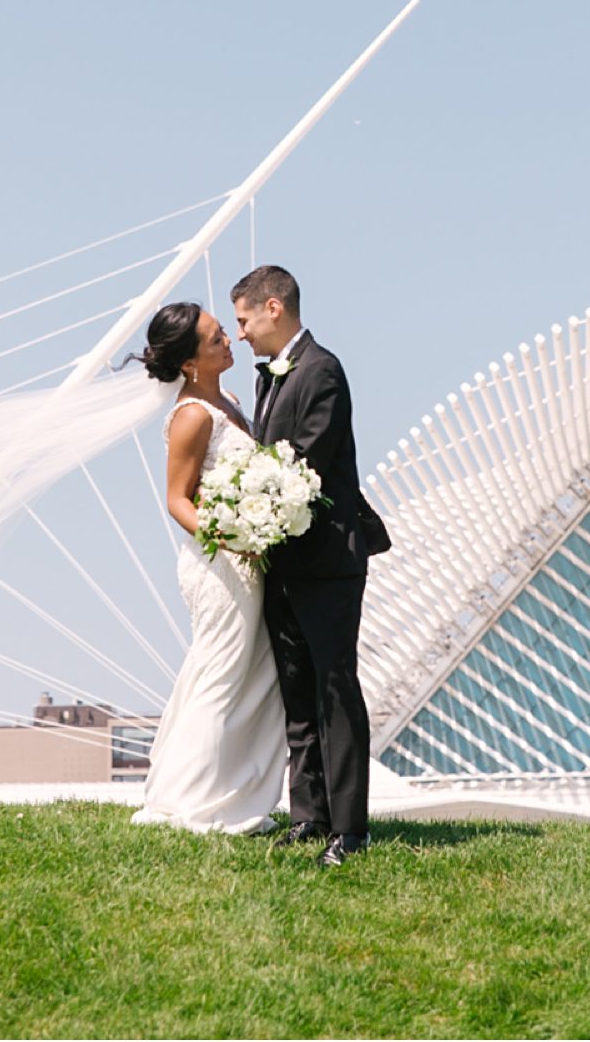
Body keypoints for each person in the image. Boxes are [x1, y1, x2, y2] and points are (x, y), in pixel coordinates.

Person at [125, 302, 286, 834]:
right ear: (191, 362)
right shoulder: (193, 415)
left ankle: (223, 792)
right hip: (219, 565)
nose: (229, 342)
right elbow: (178, 500)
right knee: (221, 674)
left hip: (248, 558)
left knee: (241, 676)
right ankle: (189, 800)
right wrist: (234, 539)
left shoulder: (231, 401)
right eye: (217, 338)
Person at [230, 265, 372, 867]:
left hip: (327, 561)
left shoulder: (322, 371)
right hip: (284, 562)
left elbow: (304, 465)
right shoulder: (271, 378)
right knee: (297, 693)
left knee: (334, 688)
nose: (240, 335)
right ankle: (309, 816)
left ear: (272, 308)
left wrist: (255, 513)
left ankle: (350, 828)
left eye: (243, 320)